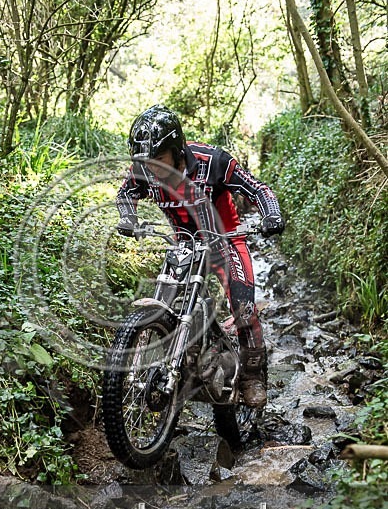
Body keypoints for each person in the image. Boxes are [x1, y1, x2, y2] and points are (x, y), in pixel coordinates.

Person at [116, 104, 285, 409]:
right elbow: (125, 193)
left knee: (244, 308)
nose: (153, 169)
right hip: (184, 242)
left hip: (225, 239)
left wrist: (271, 214)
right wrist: (128, 218)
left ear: (177, 149)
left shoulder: (214, 161)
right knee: (170, 298)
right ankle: (181, 354)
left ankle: (251, 376)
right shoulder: (143, 168)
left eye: (159, 160)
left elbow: (257, 189)